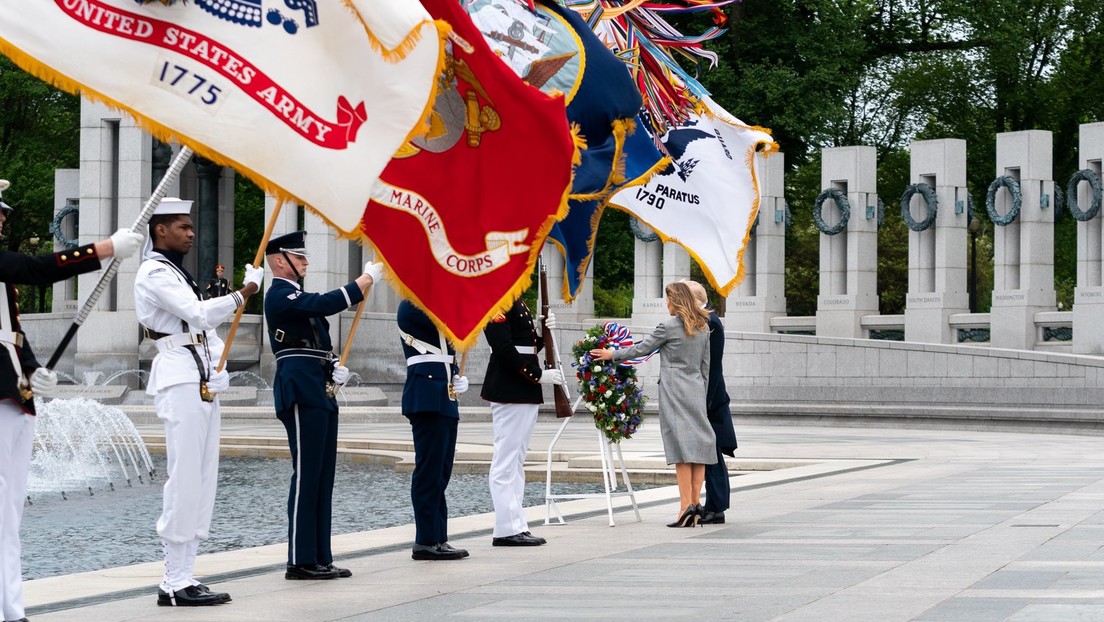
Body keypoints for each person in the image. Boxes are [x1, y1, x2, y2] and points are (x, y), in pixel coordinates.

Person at [0, 184, 143, 622]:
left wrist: (30, 367)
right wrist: (103, 249)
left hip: (12, 393)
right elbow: (38, 267)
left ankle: (8, 608)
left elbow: (10, 328)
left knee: (9, 510)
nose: (4, 218)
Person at [134, 198, 263, 607]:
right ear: (160, 230)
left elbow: (203, 332)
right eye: (182, 227)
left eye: (191, 226)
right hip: (178, 378)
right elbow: (199, 314)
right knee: (185, 477)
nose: (191, 233)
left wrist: (219, 362)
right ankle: (172, 581)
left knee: (204, 480)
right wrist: (247, 292)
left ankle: (186, 575)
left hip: (201, 377)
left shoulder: (176, 272)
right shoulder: (154, 272)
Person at [263, 231, 383, 580]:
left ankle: (319, 556)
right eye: (298, 257)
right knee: (306, 477)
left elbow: (314, 341)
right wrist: (364, 280)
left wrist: (333, 367)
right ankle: (300, 560)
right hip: (300, 388)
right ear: (280, 260)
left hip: (319, 386)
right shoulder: (280, 294)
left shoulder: (297, 295)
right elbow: (325, 303)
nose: (305, 262)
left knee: (322, 476)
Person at [590, 281, 715, 528]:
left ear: (676, 301)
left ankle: (684, 508)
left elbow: (641, 349)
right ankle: (696, 505)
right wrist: (701, 393)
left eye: (668, 300)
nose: (666, 304)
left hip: (674, 389)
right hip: (696, 388)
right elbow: (705, 366)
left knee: (680, 448)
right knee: (699, 447)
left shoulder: (668, 327)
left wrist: (611, 354)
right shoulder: (702, 327)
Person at [480, 297, 561, 547]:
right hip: (510, 388)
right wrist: (537, 375)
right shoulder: (497, 300)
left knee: (516, 461)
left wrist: (541, 331)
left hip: (522, 390)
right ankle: (505, 529)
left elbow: (525, 345)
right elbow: (503, 348)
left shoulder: (516, 300)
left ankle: (516, 524)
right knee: (506, 461)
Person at [397, 300, 470, 561]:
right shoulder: (412, 305)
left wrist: (454, 374)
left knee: (441, 471)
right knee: (429, 471)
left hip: (443, 391)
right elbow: (448, 320)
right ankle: (425, 540)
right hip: (426, 393)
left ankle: (439, 537)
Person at [682, 280, 737, 525]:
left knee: (712, 455)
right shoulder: (707, 320)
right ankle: (715, 506)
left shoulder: (711, 322)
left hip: (710, 401)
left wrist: (705, 403)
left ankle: (716, 508)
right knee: (710, 455)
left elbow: (712, 368)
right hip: (708, 398)